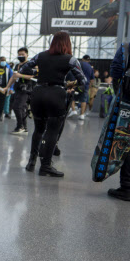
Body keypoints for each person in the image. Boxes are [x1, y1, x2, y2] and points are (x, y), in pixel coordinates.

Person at [20, 31, 85, 177]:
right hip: (56, 95)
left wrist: (40, 75)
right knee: (52, 131)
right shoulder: (71, 59)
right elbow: (83, 81)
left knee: (38, 129)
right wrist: (70, 86)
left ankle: (31, 162)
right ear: (67, 43)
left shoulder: (40, 55)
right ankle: (46, 166)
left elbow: (24, 68)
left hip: (38, 93)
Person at [107, 16, 130, 201]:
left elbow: (115, 72)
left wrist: (120, 97)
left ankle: (127, 188)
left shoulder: (128, 48)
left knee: (129, 144)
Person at [5, 47, 34, 135]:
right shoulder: (18, 65)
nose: (21, 56)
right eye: (19, 54)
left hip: (25, 90)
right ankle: (24, 128)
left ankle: (20, 126)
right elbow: (14, 77)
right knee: (19, 108)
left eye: (23, 54)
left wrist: (20, 75)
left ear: (27, 55)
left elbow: (33, 77)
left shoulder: (29, 65)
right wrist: (7, 87)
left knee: (17, 107)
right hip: (17, 89)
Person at [67, 54, 95, 121]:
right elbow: (92, 79)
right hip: (85, 84)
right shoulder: (90, 67)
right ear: (88, 60)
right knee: (84, 100)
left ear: (82, 59)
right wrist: (90, 86)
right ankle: (82, 115)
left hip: (76, 83)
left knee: (72, 96)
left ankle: (73, 110)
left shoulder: (79, 63)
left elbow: (72, 72)